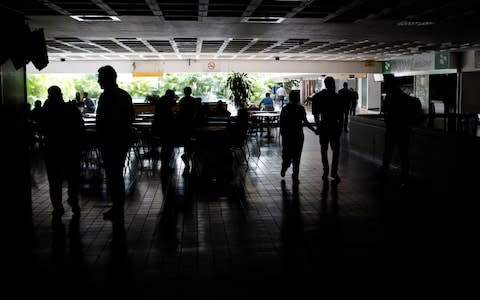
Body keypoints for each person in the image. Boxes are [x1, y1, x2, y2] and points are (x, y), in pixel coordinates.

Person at [96, 65, 134, 221]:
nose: (98, 81)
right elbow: (131, 117)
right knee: (115, 174)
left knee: (113, 176)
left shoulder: (106, 97)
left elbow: (103, 120)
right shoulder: (124, 95)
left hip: (110, 141)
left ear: (107, 78)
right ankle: (117, 206)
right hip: (121, 140)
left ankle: (117, 207)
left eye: (100, 77)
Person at [40, 86, 84, 218]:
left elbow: (41, 126)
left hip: (52, 149)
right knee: (72, 178)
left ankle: (57, 206)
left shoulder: (46, 110)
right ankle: (73, 201)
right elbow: (79, 125)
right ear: (61, 94)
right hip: (70, 148)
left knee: (54, 180)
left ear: (49, 95)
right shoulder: (70, 108)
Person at [380, 74, 414, 185]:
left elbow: (384, 110)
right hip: (403, 130)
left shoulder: (389, 97)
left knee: (388, 153)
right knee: (404, 154)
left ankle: (384, 174)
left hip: (392, 129)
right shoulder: (403, 96)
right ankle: (405, 176)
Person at [311, 76, 344, 183]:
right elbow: (341, 115)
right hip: (334, 126)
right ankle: (334, 172)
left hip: (324, 125)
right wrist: (341, 127)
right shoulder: (337, 97)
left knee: (324, 150)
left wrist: (317, 126)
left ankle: (326, 170)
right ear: (333, 84)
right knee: (336, 151)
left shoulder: (319, 96)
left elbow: (316, 114)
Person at [279, 90, 316, 183]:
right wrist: (314, 130)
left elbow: (282, 123)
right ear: (298, 98)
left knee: (287, 153)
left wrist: (282, 133)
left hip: (287, 135)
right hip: (298, 135)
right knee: (297, 156)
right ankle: (295, 175)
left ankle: (285, 166)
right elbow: (306, 122)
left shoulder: (285, 109)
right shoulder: (300, 109)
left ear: (290, 98)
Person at [177, 86, 202, 171]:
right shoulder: (194, 101)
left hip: (184, 124)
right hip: (192, 124)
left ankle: (187, 161)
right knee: (192, 141)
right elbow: (196, 112)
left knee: (186, 142)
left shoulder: (182, 101)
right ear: (191, 92)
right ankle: (192, 159)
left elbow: (180, 112)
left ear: (184, 92)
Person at [152, 89, 177, 173]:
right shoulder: (165, 102)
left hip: (161, 128)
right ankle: (165, 166)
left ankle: (165, 166)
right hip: (166, 128)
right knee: (167, 147)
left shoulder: (161, 101)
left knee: (165, 147)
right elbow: (168, 116)